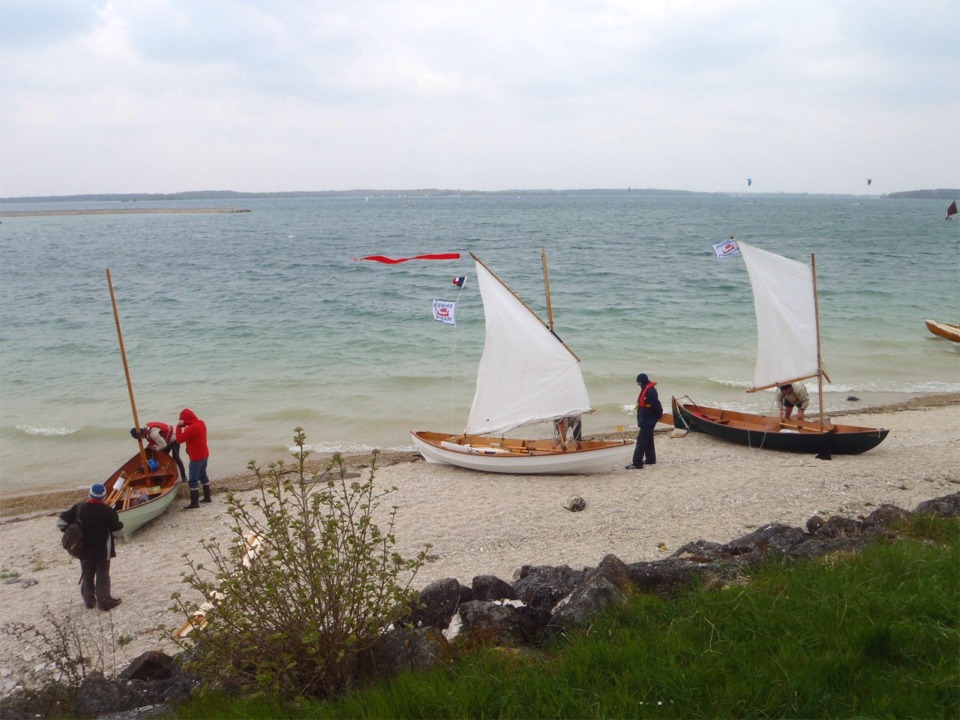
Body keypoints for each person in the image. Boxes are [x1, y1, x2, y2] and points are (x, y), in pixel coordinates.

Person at [57, 483, 124, 611]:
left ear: (89, 494)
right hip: (103, 550)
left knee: (87, 572)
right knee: (102, 575)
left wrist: (72, 530)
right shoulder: (108, 511)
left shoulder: (79, 508)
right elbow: (118, 532)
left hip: (83, 548)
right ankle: (104, 602)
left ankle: (89, 601)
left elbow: (60, 523)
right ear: (104, 497)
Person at [175, 408, 210, 509]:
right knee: (203, 474)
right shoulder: (201, 423)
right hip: (204, 454)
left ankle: (195, 503)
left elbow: (179, 439)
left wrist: (179, 426)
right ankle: (207, 497)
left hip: (196, 457)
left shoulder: (191, 428)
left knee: (193, 479)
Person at [627, 373, 663, 470]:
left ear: (642, 381)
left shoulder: (651, 391)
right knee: (648, 439)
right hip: (646, 419)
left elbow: (656, 406)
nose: (638, 384)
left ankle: (637, 463)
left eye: (639, 382)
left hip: (649, 419)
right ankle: (650, 459)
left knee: (641, 441)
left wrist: (658, 416)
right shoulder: (646, 389)